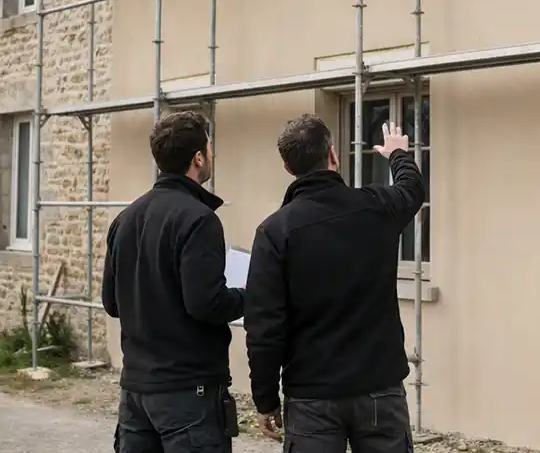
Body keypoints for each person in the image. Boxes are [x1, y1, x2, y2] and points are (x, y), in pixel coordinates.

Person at [244, 114, 425, 453]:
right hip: (379, 387)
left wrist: (265, 399)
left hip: (311, 396)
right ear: (333, 155)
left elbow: (264, 326)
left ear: (288, 168)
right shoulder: (376, 207)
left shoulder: (275, 231)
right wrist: (398, 154)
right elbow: (412, 189)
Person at [102, 110, 245, 453]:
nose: (211, 154)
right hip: (187, 393)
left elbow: (112, 302)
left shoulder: (125, 218)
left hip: (135, 391)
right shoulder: (199, 219)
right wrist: (252, 294)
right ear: (198, 158)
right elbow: (206, 303)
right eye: (209, 148)